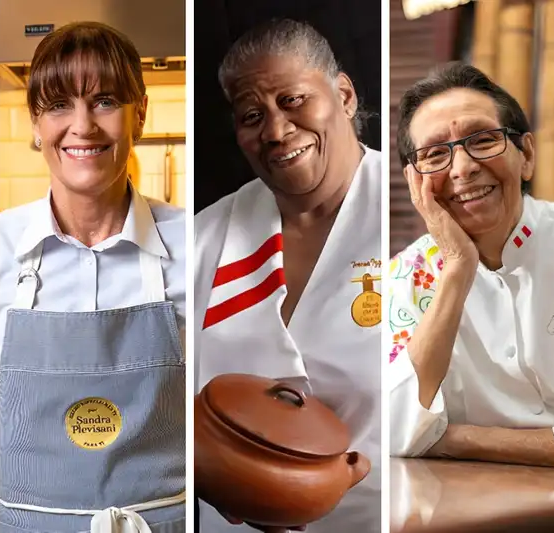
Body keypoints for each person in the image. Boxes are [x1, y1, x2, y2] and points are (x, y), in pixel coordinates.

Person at [0, 22, 187, 532]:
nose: (82, 125)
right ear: (35, 125)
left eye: (104, 101)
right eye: (59, 105)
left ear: (139, 115)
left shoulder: (195, 247)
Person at [194, 20, 382, 533]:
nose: (276, 131)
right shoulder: (203, 239)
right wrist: (208, 474)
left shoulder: (416, 214)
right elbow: (164, 397)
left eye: (293, 100)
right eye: (252, 115)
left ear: (343, 95)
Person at [389, 62, 554, 469]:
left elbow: (424, 439)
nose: (463, 168)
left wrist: (460, 440)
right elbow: (394, 427)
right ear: (413, 181)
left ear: (526, 155)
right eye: (436, 154)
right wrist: (457, 268)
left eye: (484, 140)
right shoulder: (405, 277)